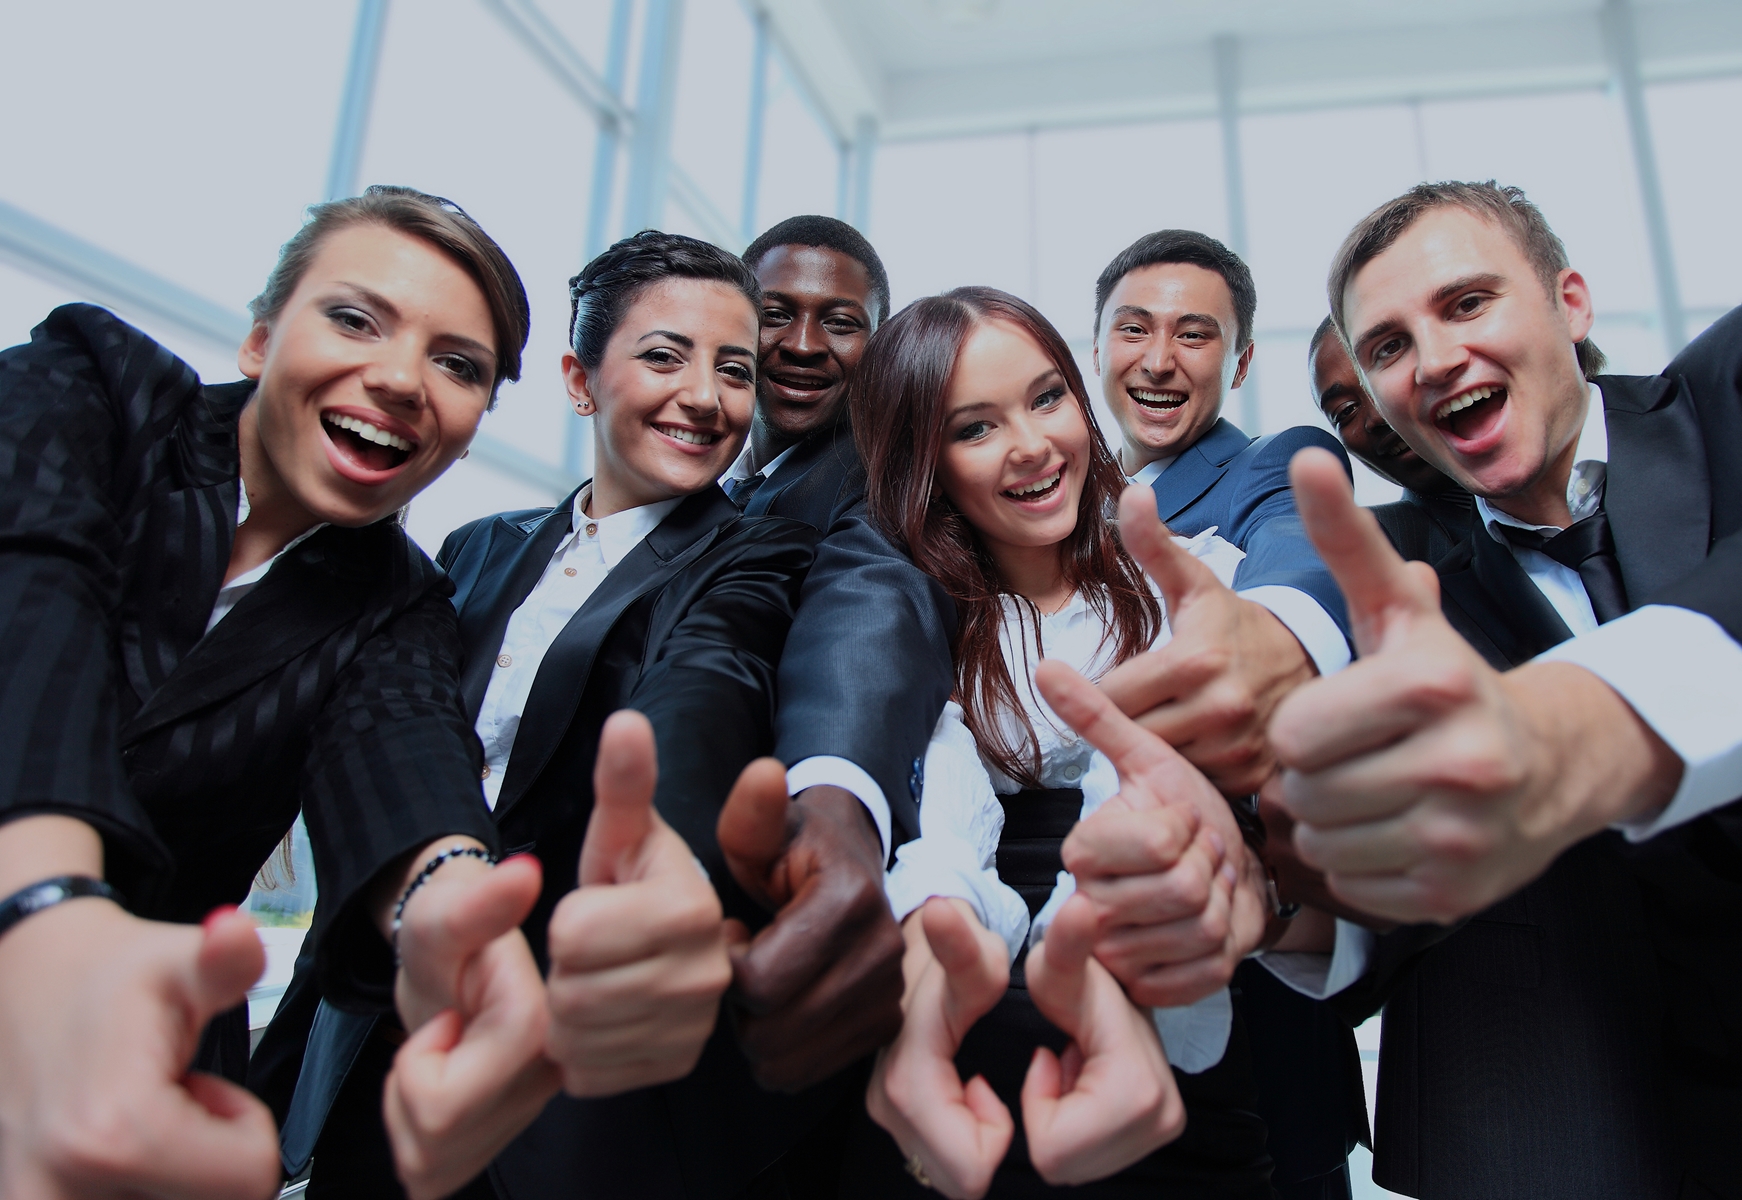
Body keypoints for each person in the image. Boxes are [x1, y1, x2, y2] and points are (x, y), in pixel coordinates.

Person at [0, 186, 586, 1199]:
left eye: (458, 366)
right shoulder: (94, 381)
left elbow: (400, 749)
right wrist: (49, 908)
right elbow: (28, 590)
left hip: (154, 1065)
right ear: (261, 341)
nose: (402, 379)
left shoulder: (400, 602)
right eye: (355, 319)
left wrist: (451, 909)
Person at [284, 229, 826, 1200]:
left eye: (732, 369)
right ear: (580, 380)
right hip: (382, 1020)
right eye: (664, 355)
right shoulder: (472, 548)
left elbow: (709, 681)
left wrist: (663, 838)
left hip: (573, 1064)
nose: (704, 396)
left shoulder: (759, 554)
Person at [1270, 181, 1742, 1197]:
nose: (1431, 361)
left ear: (1569, 304)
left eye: (1464, 304)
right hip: (1565, 1136)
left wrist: (1571, 724)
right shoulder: (1388, 574)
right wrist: (1265, 898)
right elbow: (1383, 865)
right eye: (1385, 348)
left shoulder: (1729, 389)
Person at [846, 286, 1290, 1199]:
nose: (1033, 446)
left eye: (1048, 398)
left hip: (1148, 965)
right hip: (960, 979)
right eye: (974, 428)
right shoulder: (913, 617)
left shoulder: (1194, 576)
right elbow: (941, 819)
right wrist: (941, 955)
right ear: (921, 462)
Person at [1083, 232, 1370, 1200]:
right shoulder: (1048, 500)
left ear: (1237, 361)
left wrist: (1273, 638)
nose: (1158, 359)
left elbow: (1302, 542)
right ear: (1097, 346)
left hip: (1250, 1030)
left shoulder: (1268, 464)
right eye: (1134, 328)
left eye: (1193, 334)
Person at [720, 216, 957, 1109]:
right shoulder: (716, 479)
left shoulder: (884, 476)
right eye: (776, 312)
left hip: (788, 922)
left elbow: (876, 603)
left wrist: (836, 797)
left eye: (842, 321)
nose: (805, 344)